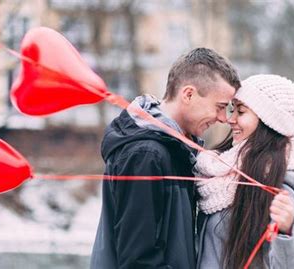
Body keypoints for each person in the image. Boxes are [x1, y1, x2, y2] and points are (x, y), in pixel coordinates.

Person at [90, 48, 240, 269]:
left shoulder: (176, 150)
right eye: (219, 107)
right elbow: (138, 260)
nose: (222, 118)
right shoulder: (146, 155)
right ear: (188, 94)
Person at [195, 74, 294, 268]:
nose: (231, 119)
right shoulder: (217, 173)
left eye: (241, 111)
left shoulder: (279, 183)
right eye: (232, 109)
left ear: (268, 121)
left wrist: (287, 230)